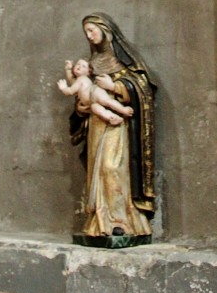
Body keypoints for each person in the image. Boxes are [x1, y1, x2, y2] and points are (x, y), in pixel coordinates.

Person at [66, 13, 156, 239]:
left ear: (105, 30)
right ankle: (101, 222)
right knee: (97, 172)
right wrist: (81, 109)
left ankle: (122, 221)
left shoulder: (126, 61)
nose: (89, 36)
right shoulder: (91, 64)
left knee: (111, 168)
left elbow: (144, 89)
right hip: (96, 126)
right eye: (85, 32)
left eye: (92, 30)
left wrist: (115, 87)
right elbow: (82, 94)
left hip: (119, 126)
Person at [57, 58, 134, 126]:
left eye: (83, 66)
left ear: (89, 72)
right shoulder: (77, 80)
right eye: (78, 64)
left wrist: (64, 88)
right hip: (91, 103)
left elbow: (70, 91)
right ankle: (113, 118)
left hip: (94, 92)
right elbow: (71, 79)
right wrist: (68, 69)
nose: (79, 66)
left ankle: (123, 109)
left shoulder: (82, 79)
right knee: (99, 111)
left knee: (108, 101)